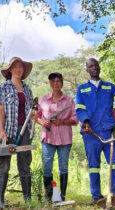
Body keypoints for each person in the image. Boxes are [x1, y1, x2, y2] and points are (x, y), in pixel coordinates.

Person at [75, 58, 115, 205]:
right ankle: (96, 196)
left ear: (99, 67)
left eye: (96, 65)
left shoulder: (110, 87)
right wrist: (85, 122)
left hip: (109, 132)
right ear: (87, 70)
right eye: (91, 66)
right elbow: (79, 109)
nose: (94, 68)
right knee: (94, 165)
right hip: (91, 133)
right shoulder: (82, 89)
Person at [0, 57, 34, 207]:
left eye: (21, 67)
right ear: (10, 70)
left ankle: (28, 200)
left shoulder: (27, 89)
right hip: (7, 130)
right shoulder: (3, 87)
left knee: (24, 163)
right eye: (15, 66)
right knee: (3, 163)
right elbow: (0, 109)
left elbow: (31, 111)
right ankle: (0, 201)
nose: (18, 69)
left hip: (24, 131)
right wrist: (2, 130)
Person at [35, 72, 79, 202]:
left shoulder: (69, 100)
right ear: (49, 84)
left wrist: (63, 122)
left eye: (58, 81)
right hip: (48, 139)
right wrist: (43, 122)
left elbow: (75, 119)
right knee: (47, 167)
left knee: (63, 167)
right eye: (53, 81)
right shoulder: (43, 100)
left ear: (62, 83)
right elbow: (35, 116)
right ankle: (49, 197)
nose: (56, 84)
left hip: (64, 139)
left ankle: (62, 197)